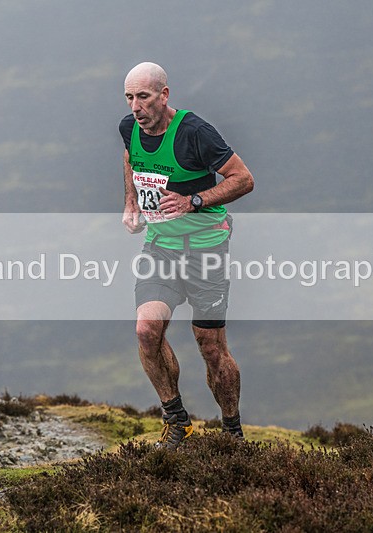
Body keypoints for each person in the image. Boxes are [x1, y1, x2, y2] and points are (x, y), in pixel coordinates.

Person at [119, 62, 254, 449]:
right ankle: (177, 421)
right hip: (160, 248)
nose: (136, 107)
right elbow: (130, 158)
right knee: (146, 331)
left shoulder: (195, 132)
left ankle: (232, 433)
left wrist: (194, 200)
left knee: (211, 347)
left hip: (206, 250)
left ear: (164, 95)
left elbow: (243, 179)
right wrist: (131, 202)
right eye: (129, 98)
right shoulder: (129, 128)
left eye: (144, 97)